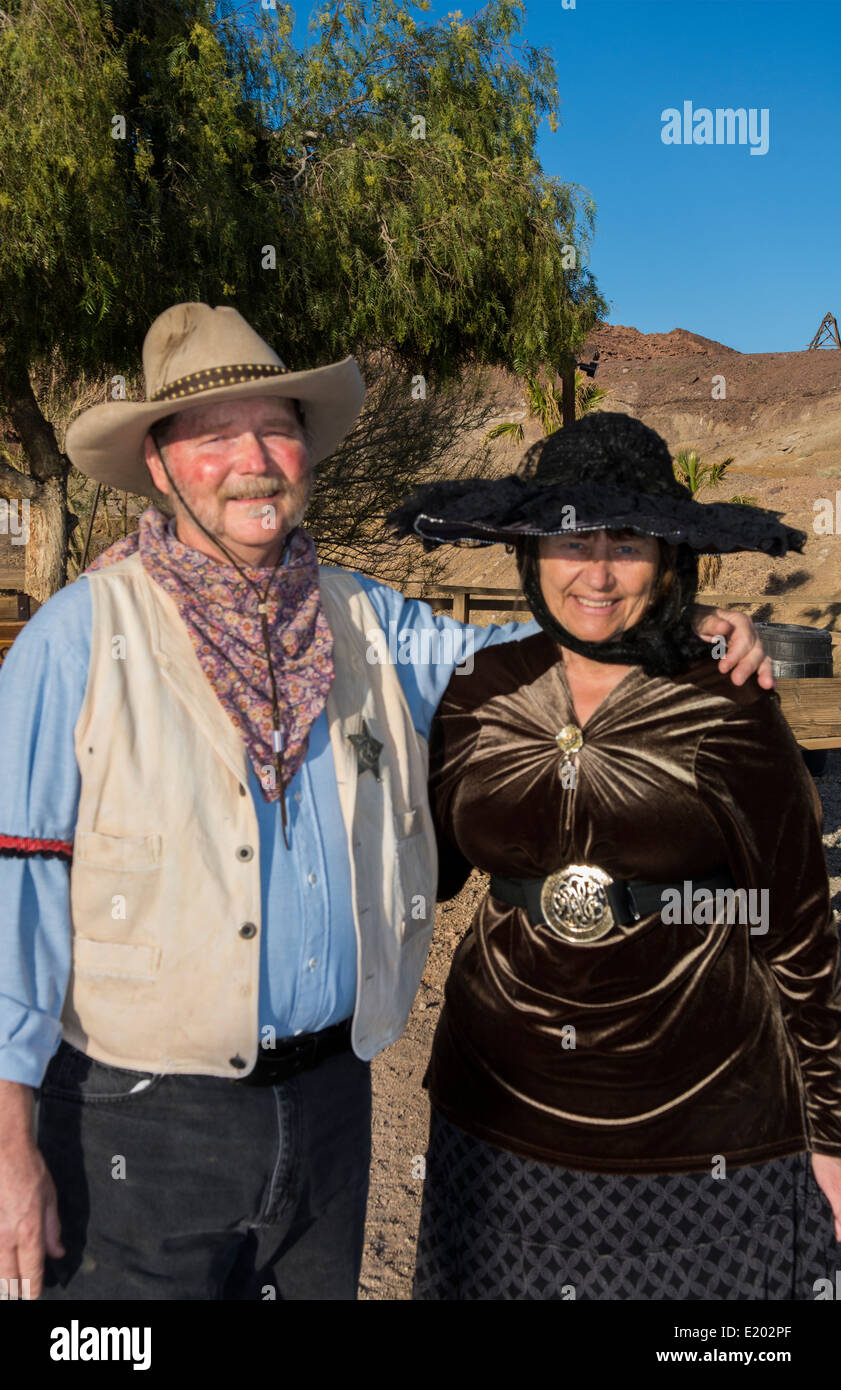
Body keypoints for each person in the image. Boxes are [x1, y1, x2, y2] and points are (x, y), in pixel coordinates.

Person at [0, 308, 771, 1303]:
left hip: (329, 1106)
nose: (252, 461)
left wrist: (663, 624)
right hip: (133, 1123)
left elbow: (514, 666)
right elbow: (13, 900)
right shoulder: (75, 641)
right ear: (158, 464)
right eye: (211, 436)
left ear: (306, 450)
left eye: (274, 429)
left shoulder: (368, 621)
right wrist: (11, 1146)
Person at [389, 411, 841, 1301]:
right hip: (498, 1113)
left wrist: (831, 1134)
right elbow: (424, 875)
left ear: (668, 558)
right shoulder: (480, 691)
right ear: (527, 552)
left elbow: (796, 932)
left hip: (705, 1128)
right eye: (569, 541)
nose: (595, 571)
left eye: (626, 542)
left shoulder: (729, 704)